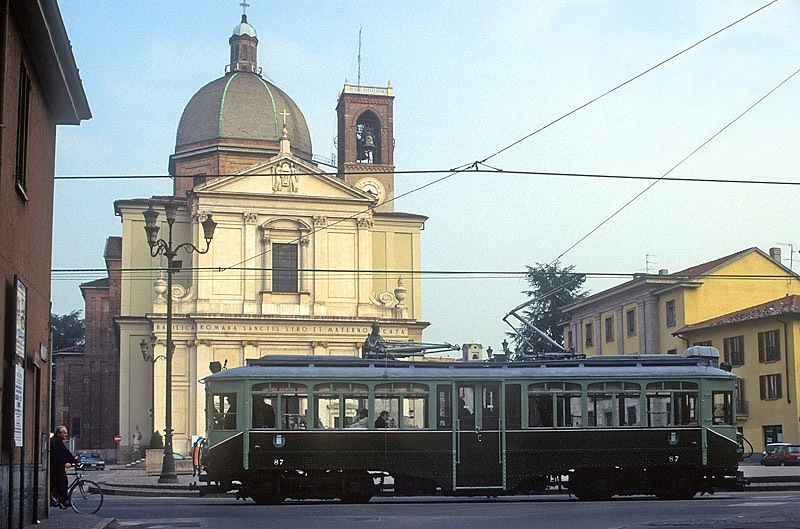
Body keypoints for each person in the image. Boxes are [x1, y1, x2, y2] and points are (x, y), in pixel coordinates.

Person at [50, 425, 78, 508]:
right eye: (64, 433)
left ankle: (60, 498)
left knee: (62, 481)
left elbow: (66, 452)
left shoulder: (59, 441)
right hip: (54, 467)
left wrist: (75, 461)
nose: (66, 435)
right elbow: (56, 454)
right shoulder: (54, 441)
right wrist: (64, 463)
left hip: (58, 466)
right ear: (59, 434)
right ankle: (63, 500)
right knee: (63, 482)